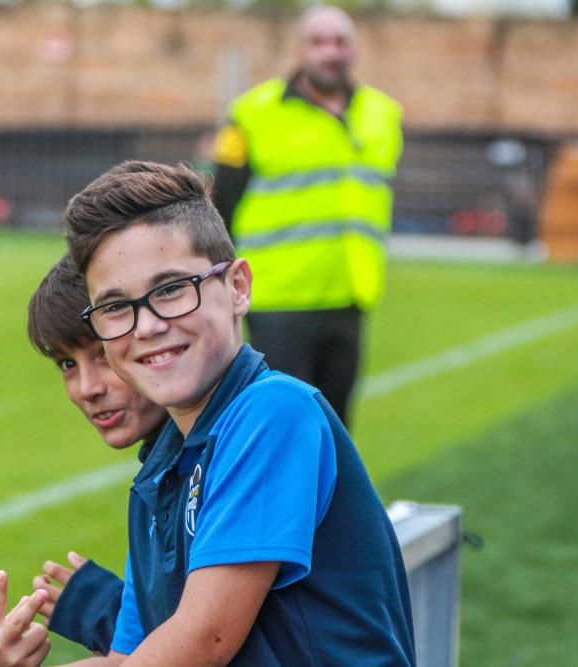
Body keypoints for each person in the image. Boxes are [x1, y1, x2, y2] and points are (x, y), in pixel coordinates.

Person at [37, 160, 413, 666]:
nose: (146, 326)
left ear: (237, 288)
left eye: (170, 289)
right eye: (116, 307)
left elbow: (204, 640)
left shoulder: (273, 412)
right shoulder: (161, 469)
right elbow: (128, 659)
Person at [211, 5, 404, 425]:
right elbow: (220, 209)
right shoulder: (252, 114)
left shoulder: (383, 115)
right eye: (318, 42)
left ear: (354, 50)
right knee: (284, 429)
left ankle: (331, 496)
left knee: (337, 432)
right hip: (279, 299)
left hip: (351, 293)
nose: (330, 52)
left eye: (340, 42)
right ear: (299, 50)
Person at [0, 255, 168, 667]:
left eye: (102, 354)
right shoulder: (159, 472)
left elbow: (213, 646)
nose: (86, 388)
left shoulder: (235, 442)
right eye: (67, 364)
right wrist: (113, 614)